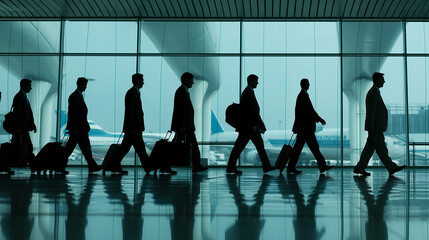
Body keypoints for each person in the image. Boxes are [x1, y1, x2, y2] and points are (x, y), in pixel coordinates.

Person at [354, 72, 406, 176]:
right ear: (377, 80)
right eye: (382, 79)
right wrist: (372, 127)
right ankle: (392, 167)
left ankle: (359, 168)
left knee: (368, 150)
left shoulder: (374, 91)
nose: (384, 81)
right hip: (375, 128)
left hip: (374, 127)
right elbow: (372, 111)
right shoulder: (374, 92)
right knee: (382, 149)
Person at [226, 74, 276, 174]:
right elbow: (253, 112)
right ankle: (231, 167)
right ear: (251, 81)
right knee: (239, 147)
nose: (257, 83)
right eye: (256, 81)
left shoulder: (248, 92)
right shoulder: (248, 93)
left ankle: (266, 166)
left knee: (257, 147)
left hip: (251, 128)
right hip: (248, 127)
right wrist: (261, 124)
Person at [287, 78, 334, 174]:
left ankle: (291, 167)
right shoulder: (303, 96)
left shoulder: (302, 95)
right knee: (313, 148)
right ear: (304, 85)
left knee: (299, 149)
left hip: (303, 129)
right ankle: (322, 166)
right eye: (308, 83)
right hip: (306, 129)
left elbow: (305, 112)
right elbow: (310, 111)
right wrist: (320, 119)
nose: (309, 85)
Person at [114, 73, 153, 175]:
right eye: (142, 80)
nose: (143, 82)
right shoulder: (132, 93)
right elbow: (131, 112)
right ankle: (148, 167)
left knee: (128, 149)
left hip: (134, 128)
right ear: (138, 81)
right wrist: (133, 128)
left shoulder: (134, 92)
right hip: (133, 129)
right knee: (138, 149)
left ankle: (114, 165)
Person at [171, 72, 208, 174]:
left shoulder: (183, 91)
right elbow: (181, 111)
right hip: (185, 127)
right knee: (192, 146)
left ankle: (196, 165)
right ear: (186, 80)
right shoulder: (182, 92)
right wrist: (182, 126)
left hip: (185, 127)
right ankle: (196, 165)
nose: (193, 83)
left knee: (176, 146)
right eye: (192, 80)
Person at [63, 77, 101, 173]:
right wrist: (73, 128)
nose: (86, 87)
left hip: (80, 129)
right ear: (79, 84)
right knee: (78, 148)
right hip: (78, 129)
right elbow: (73, 114)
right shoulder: (75, 96)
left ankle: (92, 166)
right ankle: (59, 165)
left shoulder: (78, 96)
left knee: (83, 148)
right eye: (84, 84)